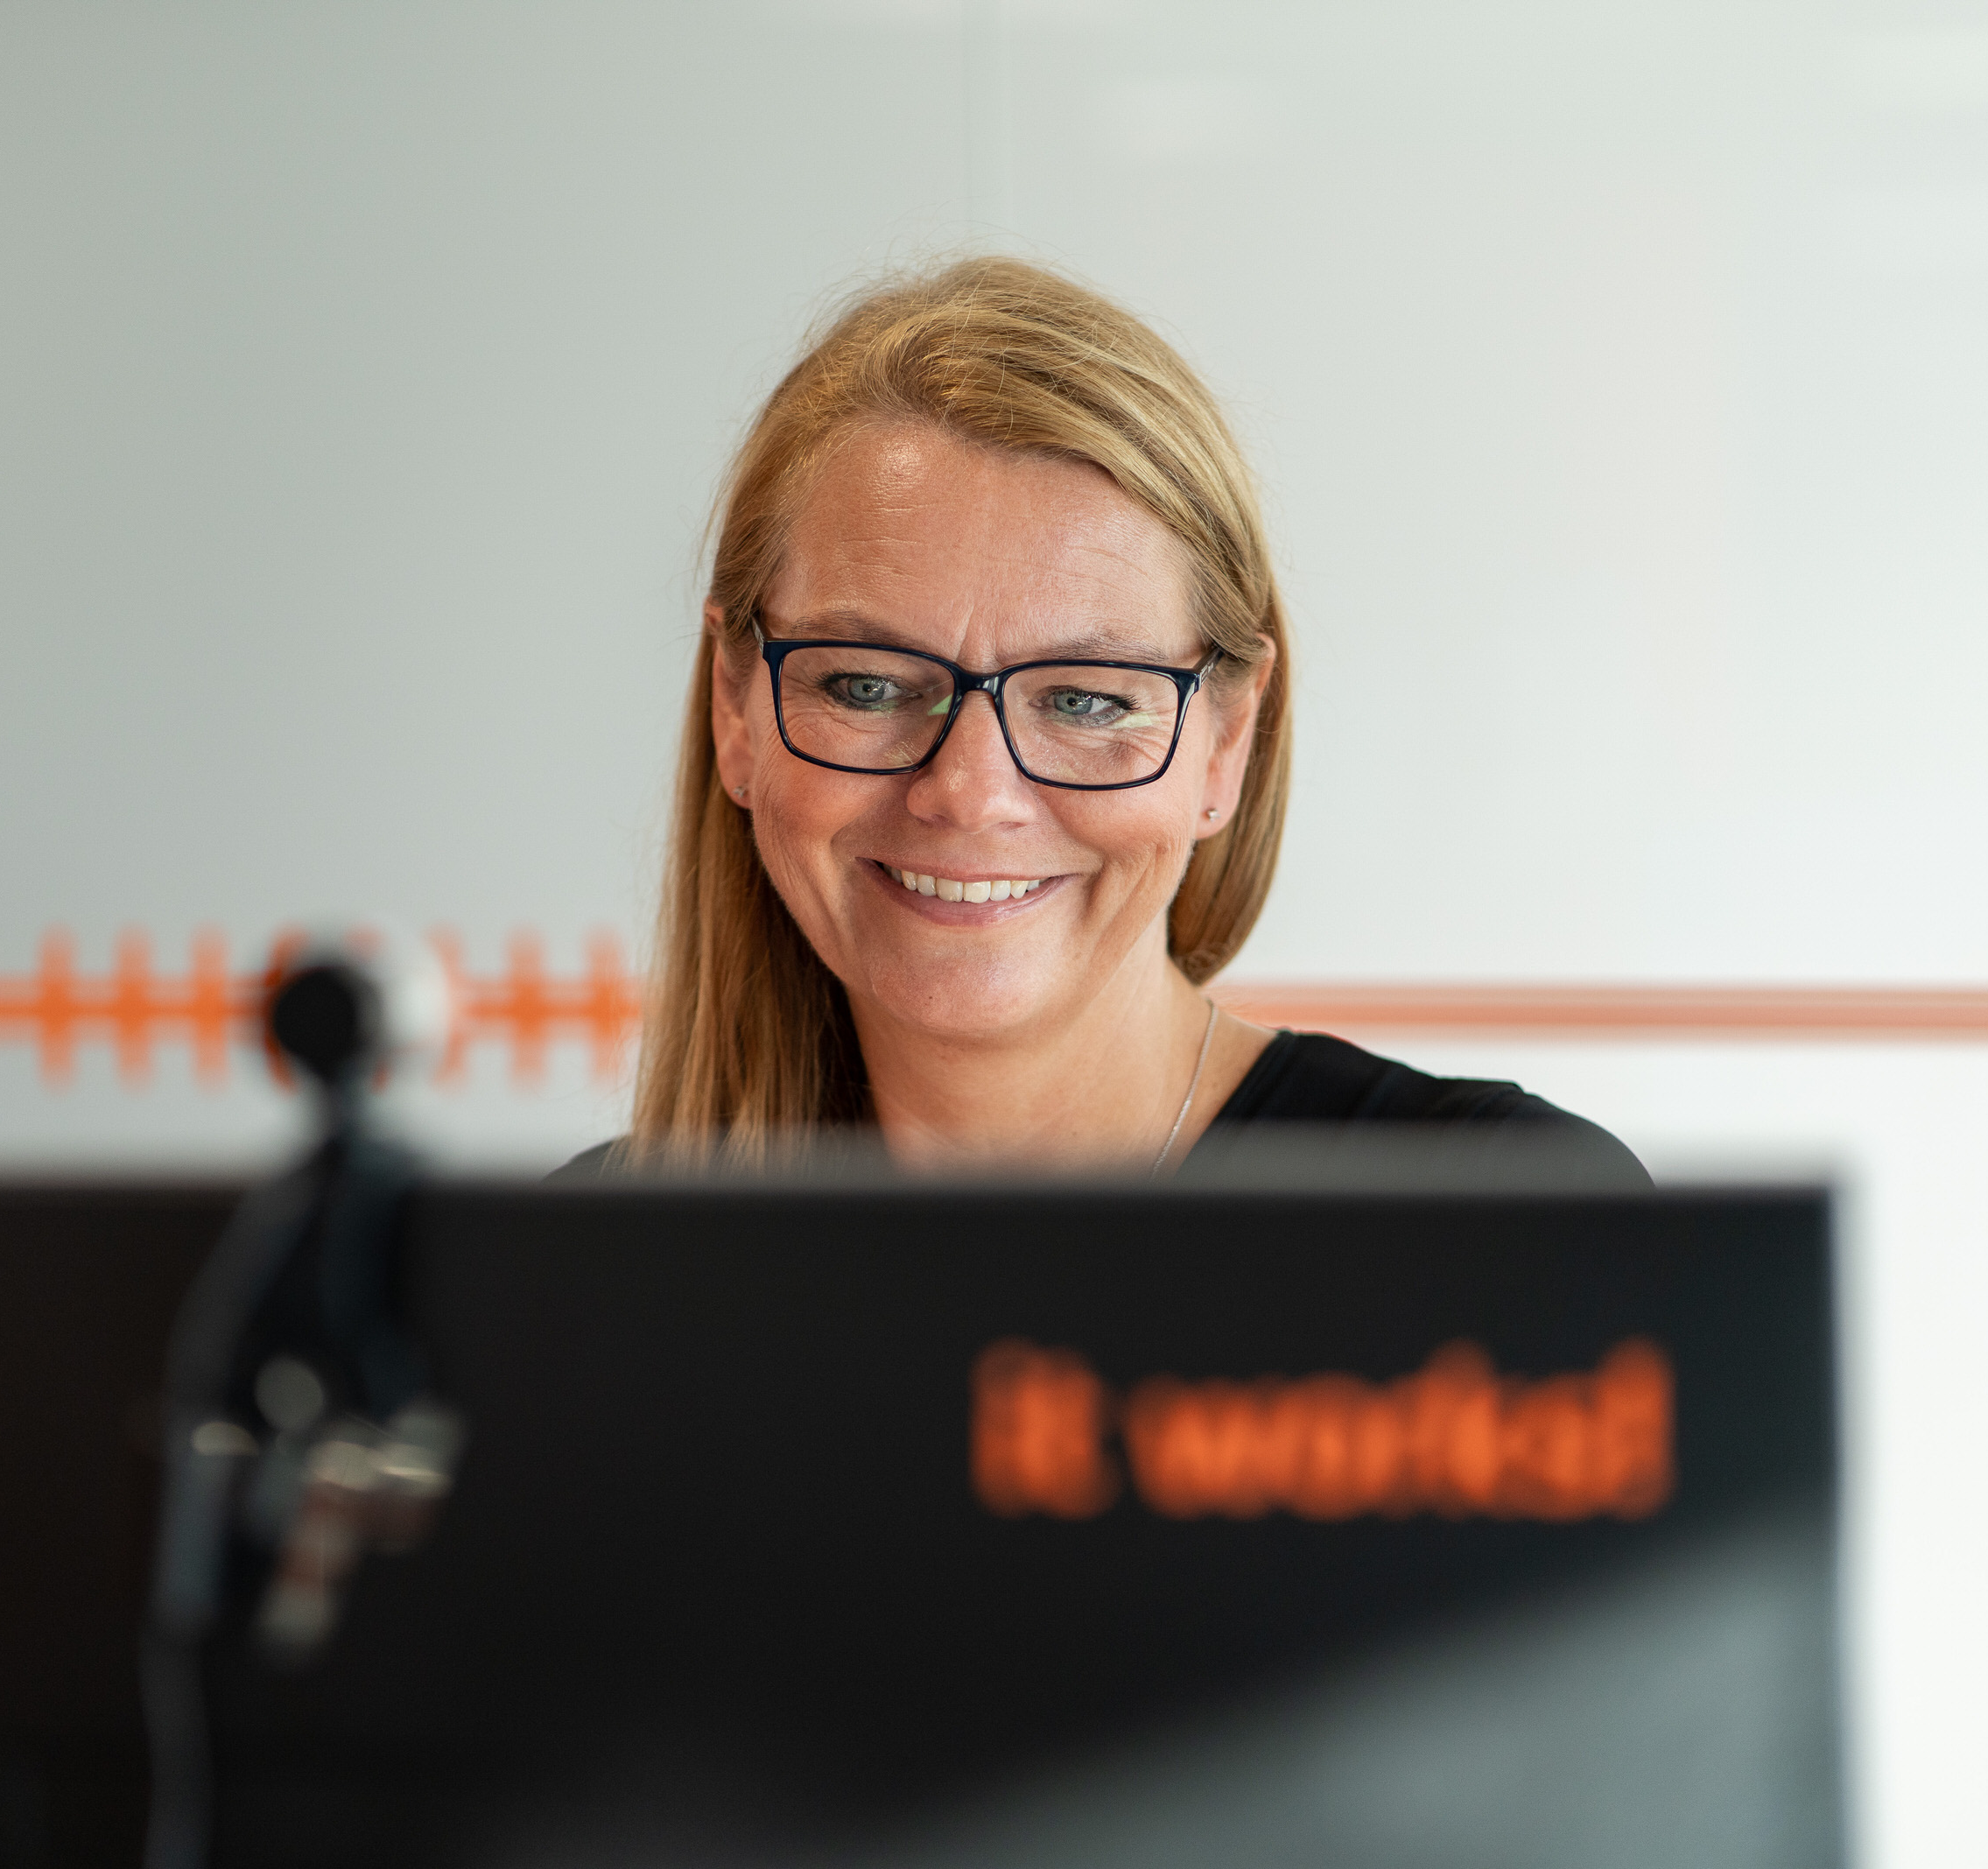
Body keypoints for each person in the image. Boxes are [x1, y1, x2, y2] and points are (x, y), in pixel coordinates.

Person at [565, 257, 1640, 1186]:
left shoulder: (1510, 1216)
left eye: (1085, 700)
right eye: (866, 685)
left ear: (1225, 740)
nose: (968, 793)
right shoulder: (578, 1273)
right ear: (735, 708)